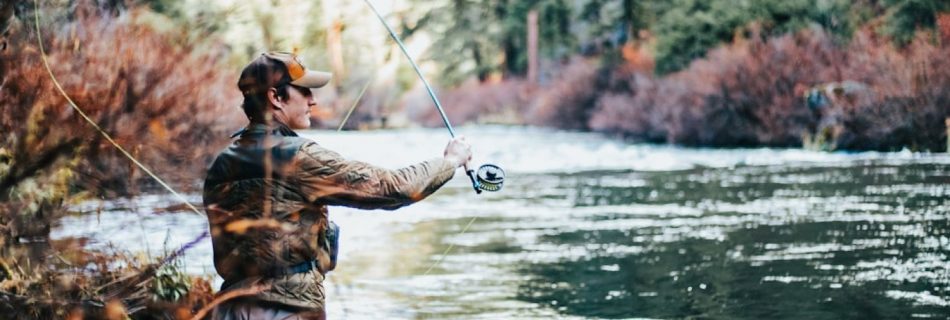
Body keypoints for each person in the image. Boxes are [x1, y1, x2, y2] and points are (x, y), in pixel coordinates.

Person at [203, 52, 472, 319]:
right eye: (304, 91)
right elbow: (395, 189)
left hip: (228, 311)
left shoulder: (221, 164)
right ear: (275, 97)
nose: (313, 100)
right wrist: (450, 161)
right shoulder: (299, 157)